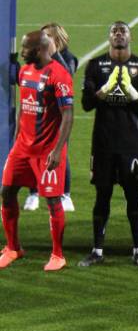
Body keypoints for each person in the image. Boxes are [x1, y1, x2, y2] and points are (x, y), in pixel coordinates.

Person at [79, 21, 138, 268]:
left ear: (130, 37)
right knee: (103, 196)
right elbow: (87, 104)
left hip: (132, 143)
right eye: (114, 31)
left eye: (123, 31)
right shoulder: (94, 66)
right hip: (103, 143)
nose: (119, 34)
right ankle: (97, 250)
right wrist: (105, 89)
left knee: (133, 196)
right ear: (109, 37)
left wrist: (131, 92)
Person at [0, 31, 74, 271]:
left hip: (47, 151)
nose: (22, 53)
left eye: (26, 49)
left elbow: (68, 115)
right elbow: (24, 104)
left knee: (52, 201)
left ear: (41, 49)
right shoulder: (24, 71)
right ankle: (13, 248)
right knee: (7, 192)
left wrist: (57, 149)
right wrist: (16, 139)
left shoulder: (59, 76)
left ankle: (58, 255)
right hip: (22, 148)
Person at [22, 23, 78, 212]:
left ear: (55, 39)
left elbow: (67, 75)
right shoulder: (37, 58)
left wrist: (54, 53)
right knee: (33, 151)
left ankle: (65, 194)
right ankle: (33, 194)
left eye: (46, 36)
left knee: (60, 152)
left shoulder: (69, 58)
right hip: (36, 112)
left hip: (58, 116)